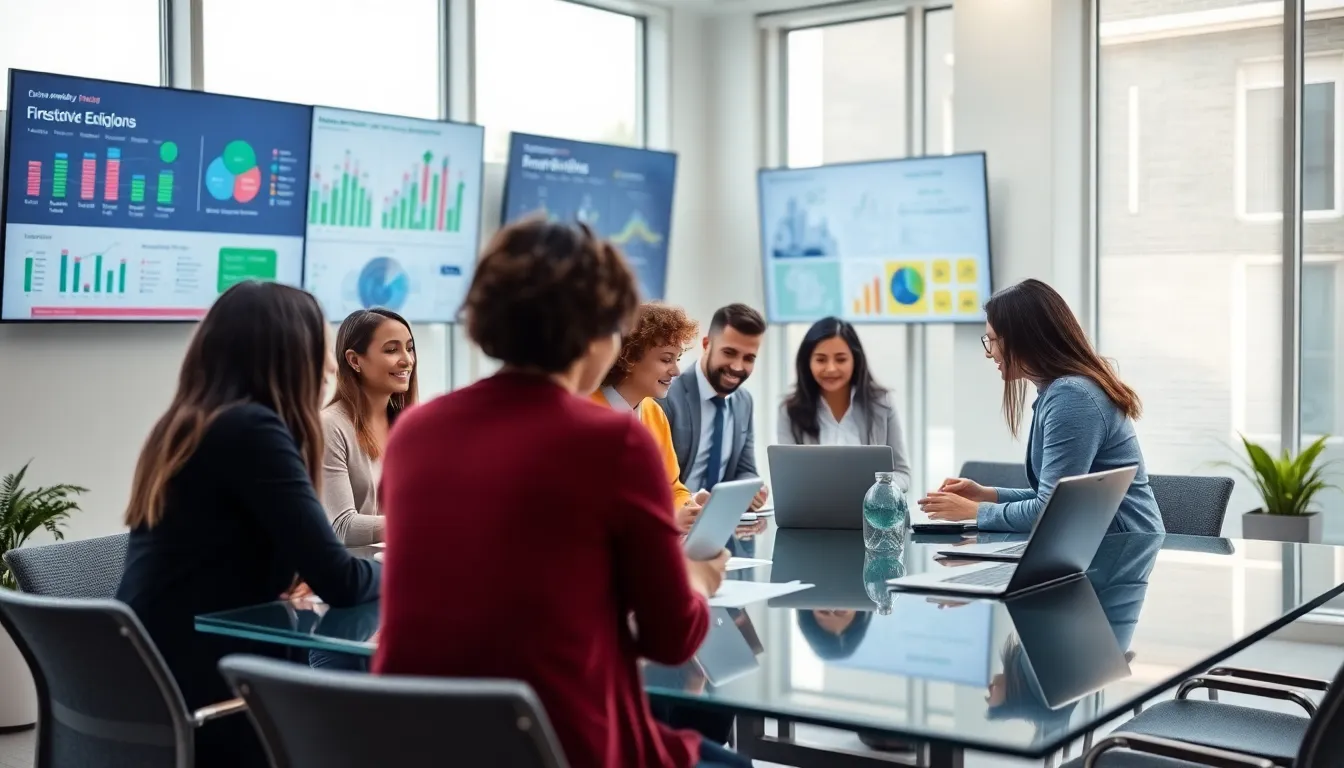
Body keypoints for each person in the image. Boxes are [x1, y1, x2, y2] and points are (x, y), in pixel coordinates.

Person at [374, 219, 747, 768]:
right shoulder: (614, 441)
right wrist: (698, 576)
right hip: (557, 743)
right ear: (599, 332)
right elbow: (671, 640)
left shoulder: (413, 432)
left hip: (423, 740)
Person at [116, 281, 381, 768]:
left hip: (144, 679)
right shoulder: (253, 430)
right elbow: (340, 580)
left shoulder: (187, 422)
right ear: (289, 356)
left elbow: (223, 549)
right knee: (371, 729)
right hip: (208, 689)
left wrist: (284, 569)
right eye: (320, 356)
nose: (327, 371)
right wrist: (412, 563)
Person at [918, 279, 1164, 534]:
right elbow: (1052, 498)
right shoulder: (1058, 392)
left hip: (1123, 551)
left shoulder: (1072, 396)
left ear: (1022, 339)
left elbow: (1049, 511)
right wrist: (987, 495)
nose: (988, 353)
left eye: (992, 340)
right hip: (1094, 544)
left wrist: (974, 512)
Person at [595, 302, 708, 530]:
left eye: (676, 359)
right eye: (666, 359)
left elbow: (673, 488)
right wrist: (664, 520)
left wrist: (688, 508)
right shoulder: (586, 415)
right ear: (629, 358)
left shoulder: (654, 413)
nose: (676, 371)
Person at [776, 316, 912, 490]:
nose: (831, 368)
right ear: (807, 362)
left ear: (855, 360)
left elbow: (902, 473)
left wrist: (878, 492)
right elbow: (786, 478)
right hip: (813, 513)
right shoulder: (789, 411)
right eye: (821, 359)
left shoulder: (882, 404)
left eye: (840, 359)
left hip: (869, 512)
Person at [657, 303, 769, 512]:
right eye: (729, 352)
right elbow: (652, 481)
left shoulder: (743, 401)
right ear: (707, 344)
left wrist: (751, 489)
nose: (737, 367)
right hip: (675, 519)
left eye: (748, 358)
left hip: (719, 523)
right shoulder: (666, 395)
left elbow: (746, 470)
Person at [320, 307, 418, 545]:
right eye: (392, 350)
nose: (407, 360)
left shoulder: (410, 427)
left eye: (410, 348)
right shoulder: (330, 425)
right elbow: (342, 527)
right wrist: (419, 520)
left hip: (399, 566)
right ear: (354, 360)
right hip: (354, 574)